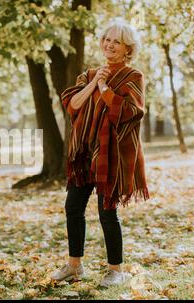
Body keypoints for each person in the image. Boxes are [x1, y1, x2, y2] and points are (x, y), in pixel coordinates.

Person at [52, 20, 149, 287]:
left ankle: (116, 270)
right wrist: (95, 81)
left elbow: (131, 112)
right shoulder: (89, 74)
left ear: (128, 48)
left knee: (107, 212)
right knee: (73, 208)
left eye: (116, 41)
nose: (109, 44)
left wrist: (105, 89)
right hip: (84, 154)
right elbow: (72, 104)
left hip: (112, 156)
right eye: (107, 39)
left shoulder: (134, 76)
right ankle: (74, 266)